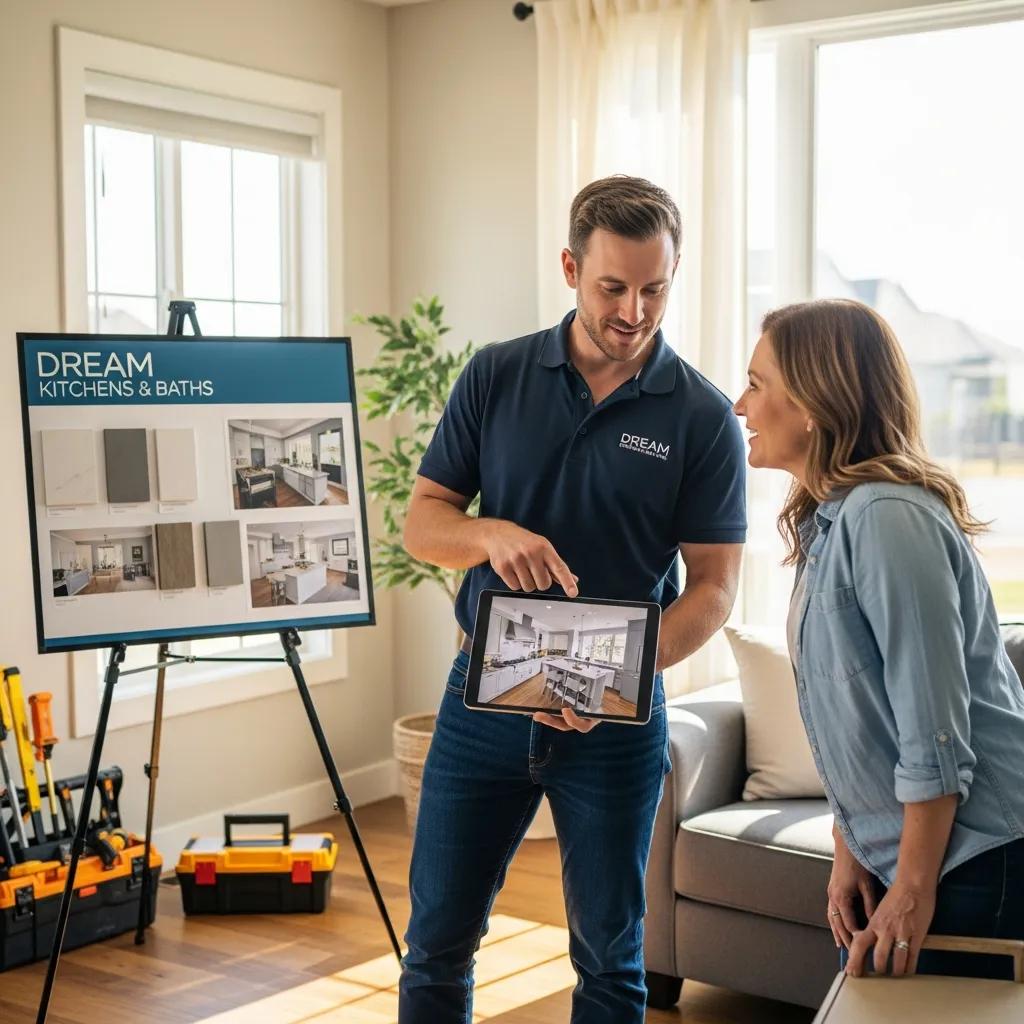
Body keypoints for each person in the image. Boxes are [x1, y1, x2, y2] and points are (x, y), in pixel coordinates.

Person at [397, 175, 747, 1022]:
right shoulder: (497, 375)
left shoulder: (701, 416)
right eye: (612, 287)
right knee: (436, 947)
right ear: (569, 268)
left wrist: (614, 679)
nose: (634, 312)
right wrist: (489, 535)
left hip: (616, 722)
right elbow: (423, 524)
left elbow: (715, 588)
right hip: (480, 705)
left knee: (611, 962)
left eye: (655, 289)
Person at [733, 298, 1024, 981]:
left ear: (812, 402)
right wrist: (850, 848)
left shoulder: (887, 517)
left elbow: (932, 728)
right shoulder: (830, 522)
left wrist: (914, 889)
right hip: (908, 854)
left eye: (756, 383)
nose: (741, 405)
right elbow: (858, 720)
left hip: (973, 858)